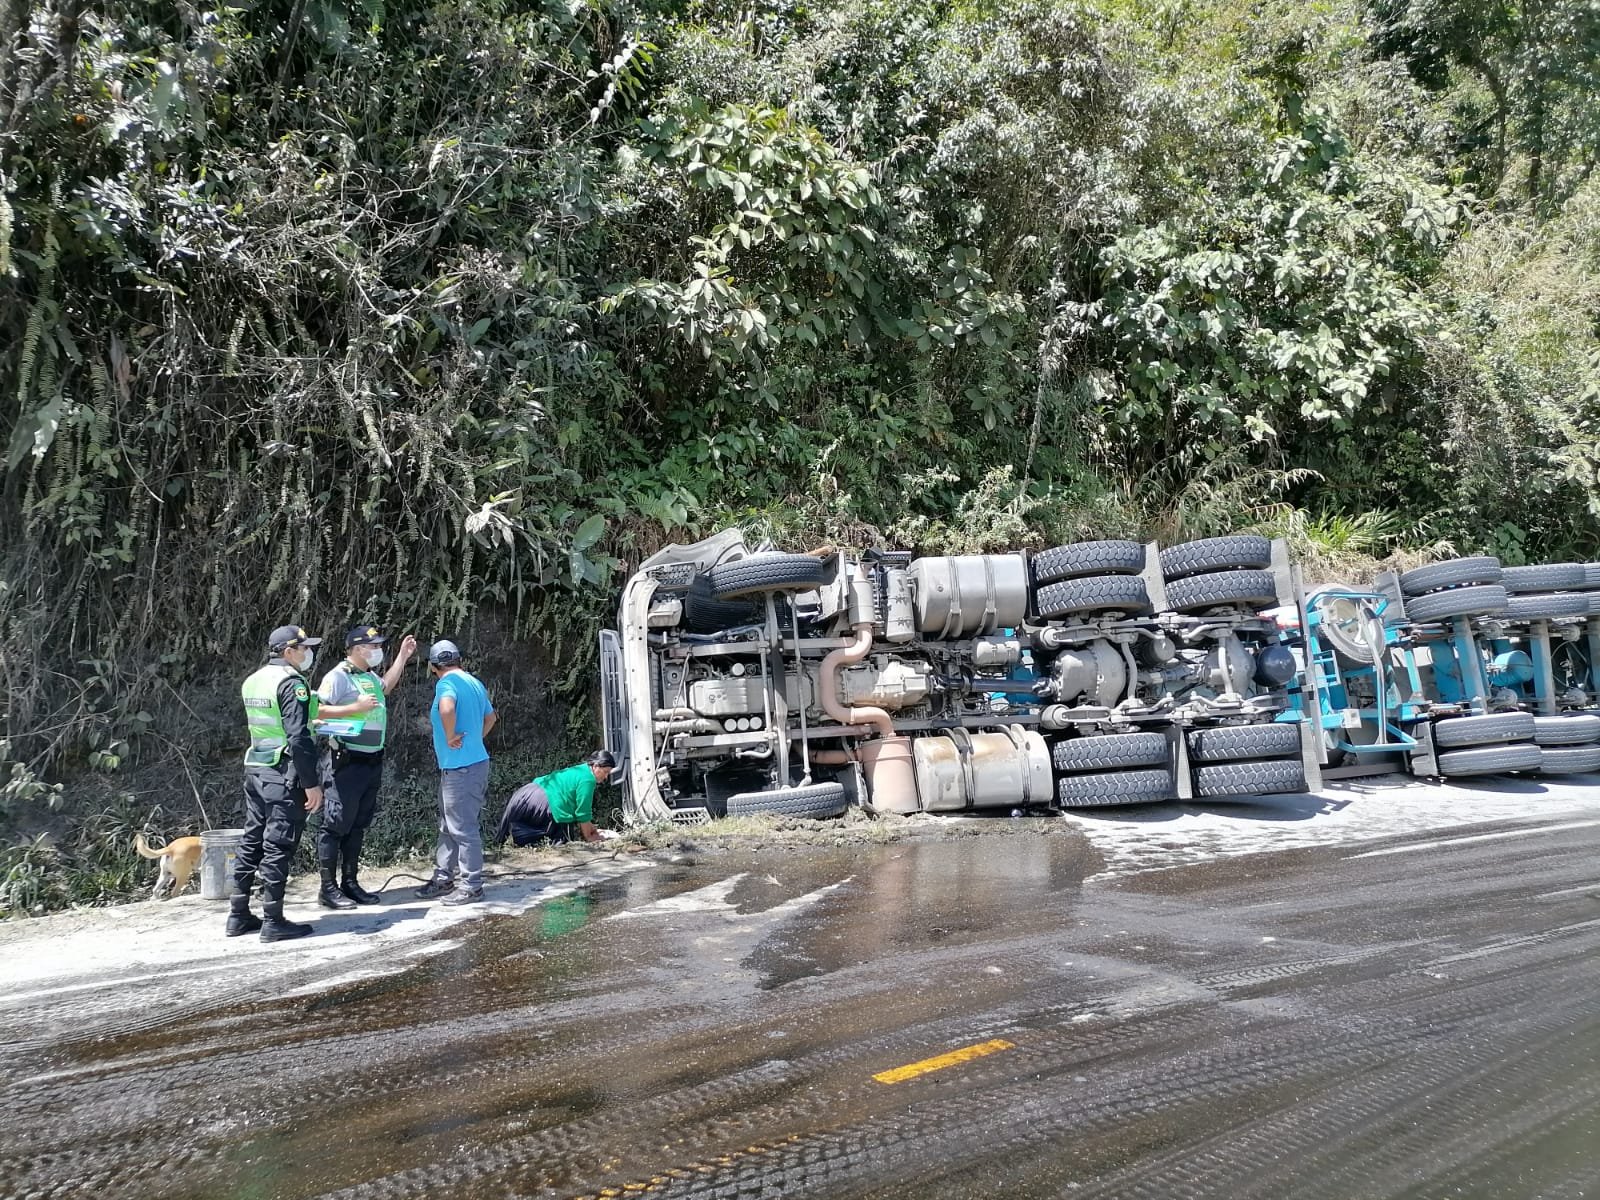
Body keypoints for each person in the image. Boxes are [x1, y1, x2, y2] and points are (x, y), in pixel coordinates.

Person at [229, 624, 325, 942]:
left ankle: (238, 915)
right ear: (288, 652)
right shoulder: (291, 683)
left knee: (252, 839)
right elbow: (298, 737)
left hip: (256, 767)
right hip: (283, 774)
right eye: (304, 648)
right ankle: (273, 921)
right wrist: (311, 784)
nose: (307, 653)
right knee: (278, 845)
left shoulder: (253, 680)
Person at [312, 625, 419, 909]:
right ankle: (327, 888)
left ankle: (350, 882)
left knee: (357, 826)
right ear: (358, 649)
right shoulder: (337, 677)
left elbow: (387, 686)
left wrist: (402, 658)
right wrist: (353, 708)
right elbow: (315, 710)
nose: (377, 651)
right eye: (373, 647)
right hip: (346, 762)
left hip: (371, 761)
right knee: (335, 825)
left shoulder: (368, 676)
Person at [416, 639, 496, 905]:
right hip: (467, 764)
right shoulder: (474, 682)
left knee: (462, 828)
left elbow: (446, 707)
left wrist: (451, 736)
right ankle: (444, 877)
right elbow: (491, 718)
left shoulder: (446, 683)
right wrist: (475, 741)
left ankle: (472, 885)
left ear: (433, 667)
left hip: (461, 768)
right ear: (460, 660)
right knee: (448, 824)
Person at [496, 751, 616, 846]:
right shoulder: (588, 780)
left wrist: (592, 829)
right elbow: (583, 814)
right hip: (545, 801)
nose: (605, 777)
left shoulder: (582, 769)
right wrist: (591, 837)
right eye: (605, 772)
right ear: (595, 766)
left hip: (528, 792)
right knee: (563, 842)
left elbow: (583, 816)